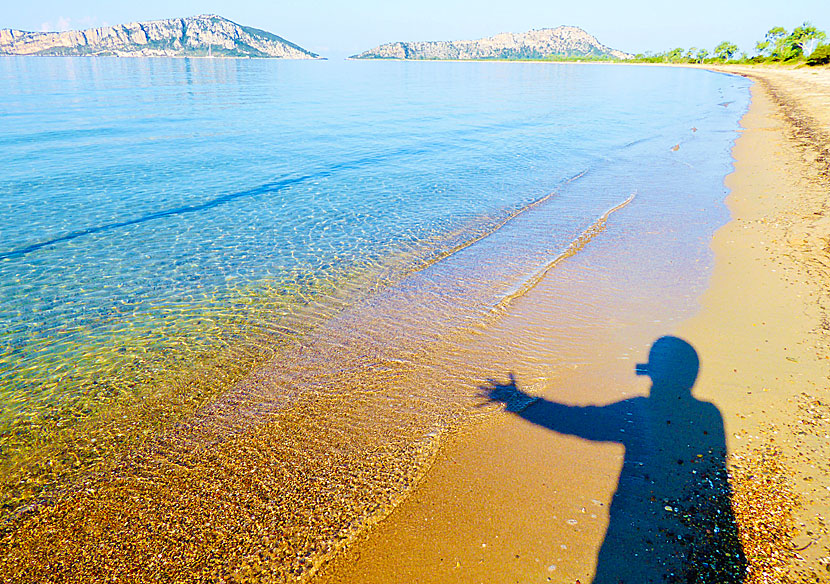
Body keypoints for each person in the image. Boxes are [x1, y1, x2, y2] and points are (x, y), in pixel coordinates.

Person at [482, 336, 745, 583]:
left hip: (634, 542)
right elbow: (717, 483)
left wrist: (518, 401)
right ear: (690, 376)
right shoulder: (710, 416)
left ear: (652, 372)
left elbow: (579, 421)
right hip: (693, 543)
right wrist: (730, 545)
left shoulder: (640, 412)